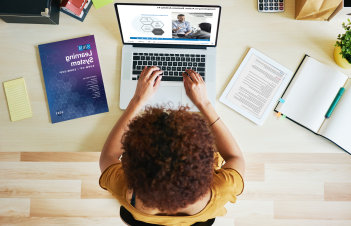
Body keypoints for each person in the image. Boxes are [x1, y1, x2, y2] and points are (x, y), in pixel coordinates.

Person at [99, 66, 245, 226]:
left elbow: (109, 156)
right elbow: (235, 157)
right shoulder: (223, 188)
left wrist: (138, 100)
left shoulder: (125, 190)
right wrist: (204, 104)